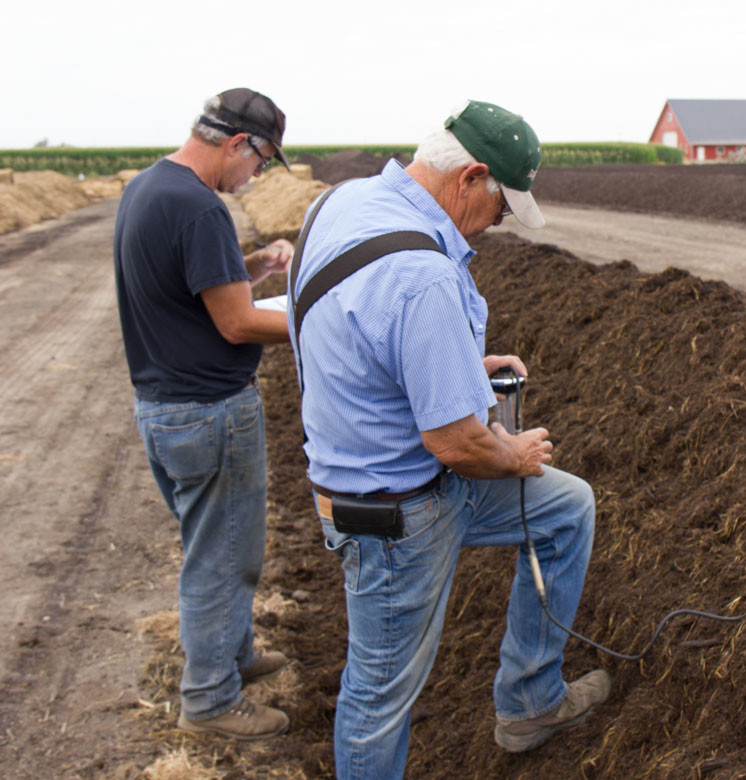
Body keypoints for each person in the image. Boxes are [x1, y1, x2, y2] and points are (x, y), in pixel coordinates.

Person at [290, 101, 610, 779]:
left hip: (373, 476)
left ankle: (530, 701)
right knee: (379, 695)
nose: (495, 226)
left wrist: (464, 364)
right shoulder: (426, 274)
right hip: (398, 515)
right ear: (472, 176)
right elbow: (461, 446)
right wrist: (517, 454)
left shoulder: (341, 204)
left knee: (566, 508)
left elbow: (359, 330)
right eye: (500, 209)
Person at [113, 88, 296, 740]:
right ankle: (212, 702)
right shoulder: (200, 208)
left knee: (211, 547)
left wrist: (251, 265)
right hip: (209, 412)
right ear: (239, 144)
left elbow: (183, 282)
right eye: (263, 160)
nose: (257, 176)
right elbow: (238, 322)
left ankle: (234, 656)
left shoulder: (150, 188)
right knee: (222, 559)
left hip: (163, 408)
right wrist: (316, 317)